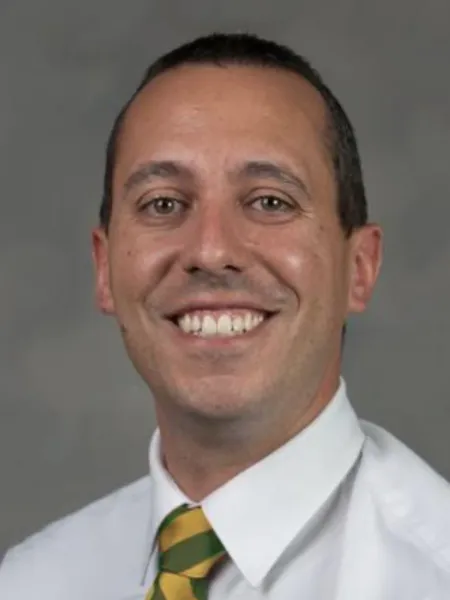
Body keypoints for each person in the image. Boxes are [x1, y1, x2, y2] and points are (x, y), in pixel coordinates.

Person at [1, 32, 449, 600]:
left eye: (270, 201)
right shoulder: (30, 581)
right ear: (104, 268)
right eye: (163, 204)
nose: (211, 252)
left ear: (358, 268)